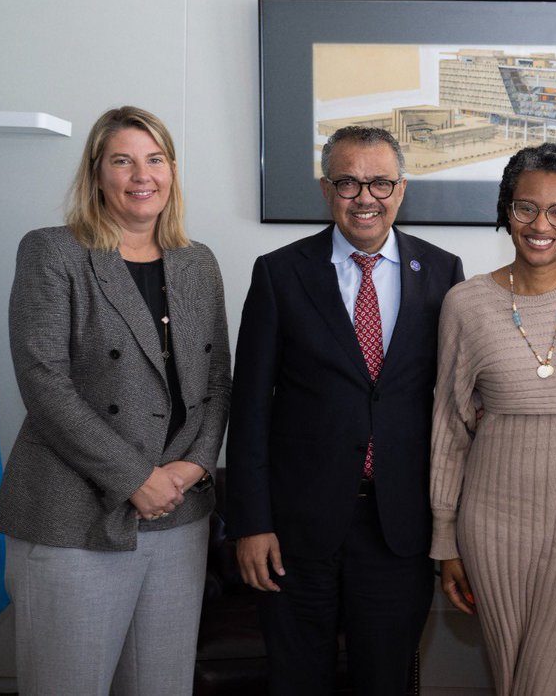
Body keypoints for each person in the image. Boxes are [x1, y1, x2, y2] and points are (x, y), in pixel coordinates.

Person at [0, 106, 230, 695]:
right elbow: (44, 384)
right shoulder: (53, 253)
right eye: (121, 160)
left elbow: (218, 380)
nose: (140, 175)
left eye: (154, 159)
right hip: (74, 514)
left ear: (171, 171)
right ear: (96, 173)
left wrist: (192, 465)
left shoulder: (197, 261)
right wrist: (134, 477)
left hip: (178, 514)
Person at [225, 126, 463, 694]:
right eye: (349, 182)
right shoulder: (279, 273)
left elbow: (454, 409)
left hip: (397, 528)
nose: (366, 197)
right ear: (327, 189)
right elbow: (250, 406)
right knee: (297, 680)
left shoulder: (442, 274)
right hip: (295, 531)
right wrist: (251, 523)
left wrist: (453, 528)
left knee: (385, 682)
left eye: (380, 182)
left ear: (400, 190)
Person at [431, 143, 556, 695]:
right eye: (526, 208)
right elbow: (449, 427)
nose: (542, 224)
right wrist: (447, 542)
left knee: (546, 685)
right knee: (512, 680)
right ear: (505, 211)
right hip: (491, 527)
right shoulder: (464, 303)